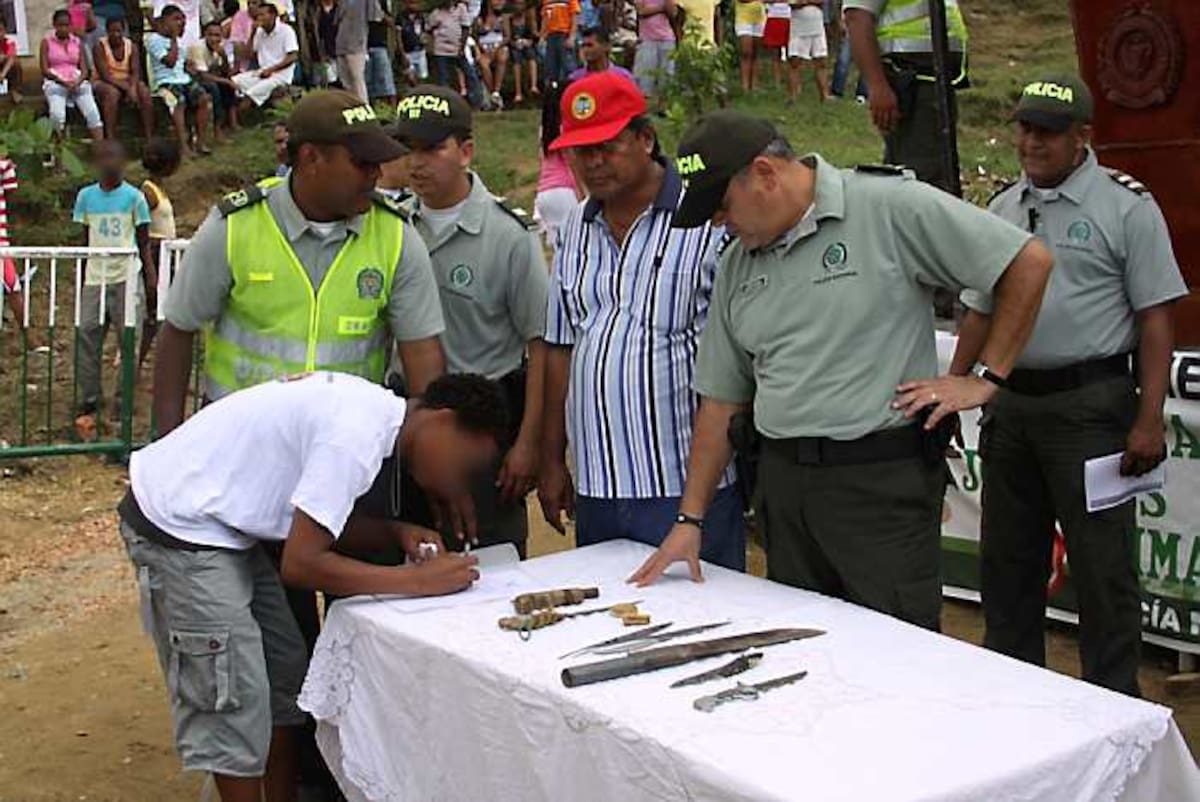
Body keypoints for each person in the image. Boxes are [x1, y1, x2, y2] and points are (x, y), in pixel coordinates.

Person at [628, 111, 1055, 634]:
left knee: (896, 654)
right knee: (807, 653)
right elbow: (721, 400)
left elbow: (1027, 263)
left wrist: (987, 377)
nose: (720, 222)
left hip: (877, 487)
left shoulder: (887, 207)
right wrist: (689, 519)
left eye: (722, 206)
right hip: (784, 493)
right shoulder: (739, 262)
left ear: (765, 173)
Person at [118, 371, 503, 802]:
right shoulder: (355, 437)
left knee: (286, 673)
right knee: (233, 694)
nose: (457, 483)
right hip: (181, 527)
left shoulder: (370, 420)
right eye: (464, 466)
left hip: (226, 529)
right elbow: (301, 564)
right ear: (443, 421)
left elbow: (316, 523)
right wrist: (414, 581)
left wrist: (395, 533)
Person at [948, 76, 1188, 697]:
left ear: (1083, 137)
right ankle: (1016, 698)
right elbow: (978, 310)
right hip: (1013, 405)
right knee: (1007, 565)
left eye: (1049, 132)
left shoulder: (1126, 206)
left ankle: (1112, 704)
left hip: (1093, 408)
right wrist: (952, 389)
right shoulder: (1002, 207)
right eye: (1025, 128)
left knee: (1103, 570)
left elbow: (1156, 318)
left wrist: (1149, 417)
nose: (1032, 142)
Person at [153, 89, 445, 442]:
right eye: (361, 163)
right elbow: (179, 330)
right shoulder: (234, 226)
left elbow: (423, 355)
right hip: (238, 442)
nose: (375, 174)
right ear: (310, 158)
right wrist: (166, 447)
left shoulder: (396, 236)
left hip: (343, 450)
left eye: (377, 162)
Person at [539, 73, 746, 567]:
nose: (593, 163)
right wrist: (552, 459)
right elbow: (559, 346)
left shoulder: (707, 220)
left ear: (646, 139)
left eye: (606, 147)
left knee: (705, 630)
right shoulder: (575, 226)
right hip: (597, 486)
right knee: (611, 628)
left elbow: (744, 358)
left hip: (687, 489)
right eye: (580, 151)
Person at [393, 85, 549, 556]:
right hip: (408, 422)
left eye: (432, 148)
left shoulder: (509, 236)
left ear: (465, 151)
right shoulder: (392, 229)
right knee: (413, 570)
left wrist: (529, 443)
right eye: (408, 150)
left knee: (490, 564)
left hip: (482, 428)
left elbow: (540, 345)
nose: (417, 163)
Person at [72, 140, 157, 437]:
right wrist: (83, 278)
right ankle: (89, 398)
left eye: (114, 156)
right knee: (87, 334)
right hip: (96, 275)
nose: (109, 162)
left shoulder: (135, 198)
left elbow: (144, 241)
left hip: (126, 275)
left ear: (123, 162)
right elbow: (84, 239)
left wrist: (150, 278)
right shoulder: (85, 197)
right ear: (96, 162)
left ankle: (123, 399)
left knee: (128, 338)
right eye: (103, 157)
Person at [845, 0, 968, 192]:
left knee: (935, 171)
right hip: (911, 79)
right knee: (923, 180)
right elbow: (857, 18)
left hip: (935, 81)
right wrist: (877, 86)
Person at [148, 4, 214, 157]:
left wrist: (190, 66)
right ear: (165, 21)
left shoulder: (179, 41)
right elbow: (170, 62)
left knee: (204, 98)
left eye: (182, 19)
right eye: (176, 19)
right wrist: (173, 39)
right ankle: (183, 146)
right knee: (179, 101)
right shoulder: (154, 40)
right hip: (165, 83)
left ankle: (200, 142)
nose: (180, 22)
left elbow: (182, 64)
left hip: (183, 80)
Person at [139, 137, 181, 367]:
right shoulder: (148, 192)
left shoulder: (157, 189)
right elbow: (142, 229)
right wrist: (150, 268)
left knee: (161, 314)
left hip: (164, 254)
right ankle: (135, 361)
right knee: (153, 313)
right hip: (156, 254)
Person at [40, 10, 105, 141]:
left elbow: (84, 69)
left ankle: (101, 149)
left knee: (93, 114)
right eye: (60, 25)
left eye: (67, 25)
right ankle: (59, 153)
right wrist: (62, 82)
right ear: (54, 25)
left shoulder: (77, 42)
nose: (64, 28)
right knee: (57, 116)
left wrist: (78, 82)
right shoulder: (46, 42)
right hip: (56, 83)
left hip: (77, 82)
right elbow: (44, 69)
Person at [533, 82, 582, 252]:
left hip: (545, 194)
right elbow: (572, 165)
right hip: (566, 192)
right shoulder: (565, 130)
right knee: (575, 248)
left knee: (560, 253)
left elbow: (542, 163)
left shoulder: (544, 131)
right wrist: (583, 197)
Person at [92, 17, 155, 141]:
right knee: (112, 93)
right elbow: (105, 75)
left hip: (126, 80)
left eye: (119, 31)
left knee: (144, 91)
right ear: (107, 31)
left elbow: (135, 72)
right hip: (103, 82)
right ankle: (111, 138)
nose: (116, 34)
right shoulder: (99, 46)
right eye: (112, 31)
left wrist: (132, 87)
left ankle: (149, 136)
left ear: (124, 31)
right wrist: (128, 89)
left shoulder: (132, 46)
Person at [233, 1, 298, 109]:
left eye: (262, 15)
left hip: (280, 76)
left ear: (272, 15)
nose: (259, 18)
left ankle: (243, 123)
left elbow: (292, 56)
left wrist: (271, 70)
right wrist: (253, 33)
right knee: (234, 82)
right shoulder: (259, 32)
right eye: (258, 15)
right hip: (262, 72)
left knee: (250, 95)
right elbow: (249, 55)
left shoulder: (286, 31)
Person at [188, 20, 239, 138]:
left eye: (217, 35)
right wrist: (226, 81)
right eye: (210, 35)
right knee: (215, 87)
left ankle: (232, 122)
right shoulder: (198, 47)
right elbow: (202, 75)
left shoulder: (218, 49)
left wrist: (224, 56)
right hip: (193, 79)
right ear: (205, 35)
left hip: (208, 77)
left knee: (226, 83)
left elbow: (225, 71)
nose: (213, 39)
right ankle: (217, 128)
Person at [632, 0, 675, 101]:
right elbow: (641, 11)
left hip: (667, 38)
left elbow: (673, 12)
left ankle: (663, 109)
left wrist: (665, 6)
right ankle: (643, 109)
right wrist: (661, 8)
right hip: (647, 39)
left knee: (666, 78)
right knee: (644, 79)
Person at [786, 0, 829, 102]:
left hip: (817, 27)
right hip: (799, 28)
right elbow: (793, 3)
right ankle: (793, 96)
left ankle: (825, 95)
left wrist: (806, 2)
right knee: (795, 62)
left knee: (821, 62)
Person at [428, 0, 471, 94]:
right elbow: (429, 29)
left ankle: (474, 99)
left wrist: (462, 47)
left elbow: (466, 28)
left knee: (470, 74)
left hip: (458, 48)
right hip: (441, 50)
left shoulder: (461, 9)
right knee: (443, 77)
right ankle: (445, 98)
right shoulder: (436, 13)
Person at [334, 0, 370, 101]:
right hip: (341, 44)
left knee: (357, 79)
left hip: (356, 44)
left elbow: (375, 17)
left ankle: (364, 107)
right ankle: (351, 107)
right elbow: (337, 19)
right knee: (345, 82)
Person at [475, 0, 509, 109]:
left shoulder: (503, 18)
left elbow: (507, 37)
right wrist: (481, 49)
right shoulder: (479, 19)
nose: (499, 3)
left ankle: (496, 92)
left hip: (498, 46)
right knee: (483, 64)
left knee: (502, 57)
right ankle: (492, 94)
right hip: (484, 49)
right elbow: (475, 37)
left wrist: (497, 47)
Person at [505, 0, 539, 103]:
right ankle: (518, 92)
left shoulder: (529, 18)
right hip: (515, 45)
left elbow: (534, 33)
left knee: (531, 55)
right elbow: (508, 37)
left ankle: (533, 86)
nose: (518, 7)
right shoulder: (509, 18)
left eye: (521, 4)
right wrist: (514, 43)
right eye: (516, 4)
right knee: (516, 59)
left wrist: (530, 41)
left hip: (527, 43)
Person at [365, 0, 397, 105]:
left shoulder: (382, 2)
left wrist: (380, 13)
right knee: (367, 82)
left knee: (386, 80)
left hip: (379, 45)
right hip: (363, 46)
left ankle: (392, 110)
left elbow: (391, 22)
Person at [540, 0, 578, 86]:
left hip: (564, 34)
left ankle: (571, 88)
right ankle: (553, 92)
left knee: (568, 66)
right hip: (551, 36)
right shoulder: (547, 1)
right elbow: (545, 18)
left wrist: (572, 36)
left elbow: (574, 17)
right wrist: (542, 36)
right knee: (551, 67)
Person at [733, 0, 765, 92]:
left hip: (759, 17)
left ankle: (754, 84)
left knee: (756, 53)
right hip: (743, 18)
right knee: (746, 52)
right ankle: (745, 86)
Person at [397, 0, 430, 85]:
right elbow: (398, 36)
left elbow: (424, 32)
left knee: (422, 77)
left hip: (420, 51)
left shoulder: (421, 17)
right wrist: (402, 54)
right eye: (412, 3)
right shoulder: (401, 17)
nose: (415, 6)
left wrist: (425, 40)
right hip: (408, 52)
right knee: (410, 78)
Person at [223, 0, 260, 72]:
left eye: (254, 3)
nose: (250, 6)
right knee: (237, 45)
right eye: (248, 3)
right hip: (245, 59)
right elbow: (238, 45)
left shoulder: (266, 18)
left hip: (264, 58)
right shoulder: (240, 16)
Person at [0, 18, 25, 102]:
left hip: (5, 70)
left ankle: (15, 90)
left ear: (5, 31)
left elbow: (11, 58)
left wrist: (3, 74)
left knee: (16, 64)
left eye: (1, 30)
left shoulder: (9, 42)